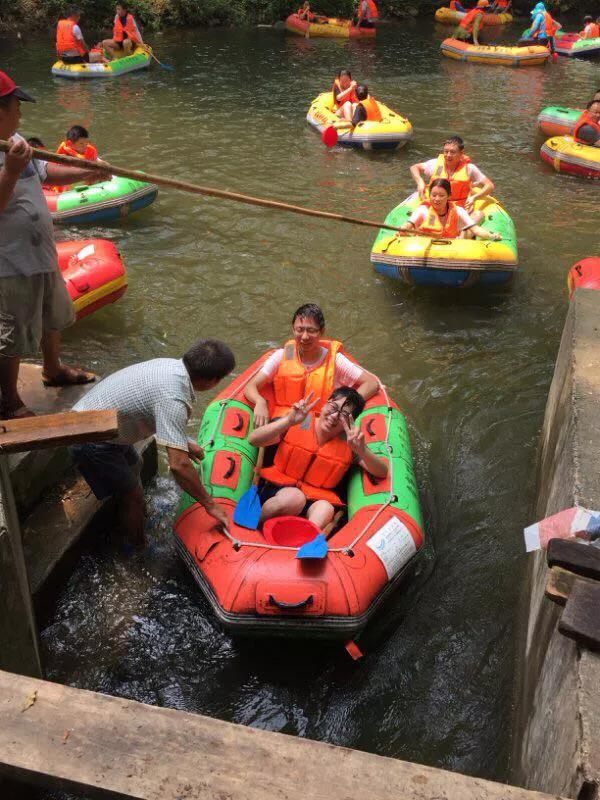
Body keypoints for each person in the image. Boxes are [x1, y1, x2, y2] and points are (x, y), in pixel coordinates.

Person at [0, 70, 110, 420]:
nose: (21, 113)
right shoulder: (8, 154)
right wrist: (11, 171)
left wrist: (88, 172)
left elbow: (47, 173)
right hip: (10, 261)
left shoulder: (15, 140)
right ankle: (8, 400)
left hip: (42, 252)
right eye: (16, 106)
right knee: (13, 331)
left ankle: (52, 368)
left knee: (52, 315)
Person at [70, 339, 235, 546]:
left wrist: (183, 442)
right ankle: (138, 547)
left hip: (102, 422)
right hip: (90, 436)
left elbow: (153, 408)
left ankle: (135, 515)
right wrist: (211, 505)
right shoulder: (174, 399)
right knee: (132, 495)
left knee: (136, 465)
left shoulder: (170, 367)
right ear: (211, 381)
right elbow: (179, 465)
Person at [249, 387, 388, 530]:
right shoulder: (299, 421)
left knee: (325, 509)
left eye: (344, 415)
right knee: (294, 498)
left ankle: (301, 539)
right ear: (325, 404)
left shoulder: (351, 443)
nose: (334, 416)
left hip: (315, 499)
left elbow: (382, 472)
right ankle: (256, 526)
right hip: (276, 489)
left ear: (351, 421)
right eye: (333, 407)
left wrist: (362, 450)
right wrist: (288, 421)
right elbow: (254, 439)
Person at [244, 303, 379, 428]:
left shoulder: (336, 361)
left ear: (321, 331)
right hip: (284, 422)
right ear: (293, 330)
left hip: (320, 426)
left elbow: (371, 383)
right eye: (299, 330)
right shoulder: (281, 356)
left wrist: (343, 407)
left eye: (311, 330)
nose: (304, 336)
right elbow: (251, 386)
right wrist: (260, 402)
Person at [409, 136, 494, 222]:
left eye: (453, 152)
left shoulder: (469, 168)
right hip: (435, 205)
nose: (448, 155)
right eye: (446, 151)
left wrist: (474, 198)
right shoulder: (435, 164)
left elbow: (489, 186)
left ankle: (464, 229)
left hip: (459, 209)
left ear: (461, 153)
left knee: (479, 215)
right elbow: (414, 168)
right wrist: (420, 182)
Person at [398, 178, 502, 241]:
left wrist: (492, 236)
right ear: (429, 195)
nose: (437, 199)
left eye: (441, 195)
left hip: (451, 247)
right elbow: (408, 225)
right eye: (433, 195)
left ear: (449, 196)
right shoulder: (423, 210)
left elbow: (476, 229)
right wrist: (403, 229)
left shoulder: (458, 211)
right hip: (424, 248)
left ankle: (465, 234)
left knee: (472, 224)